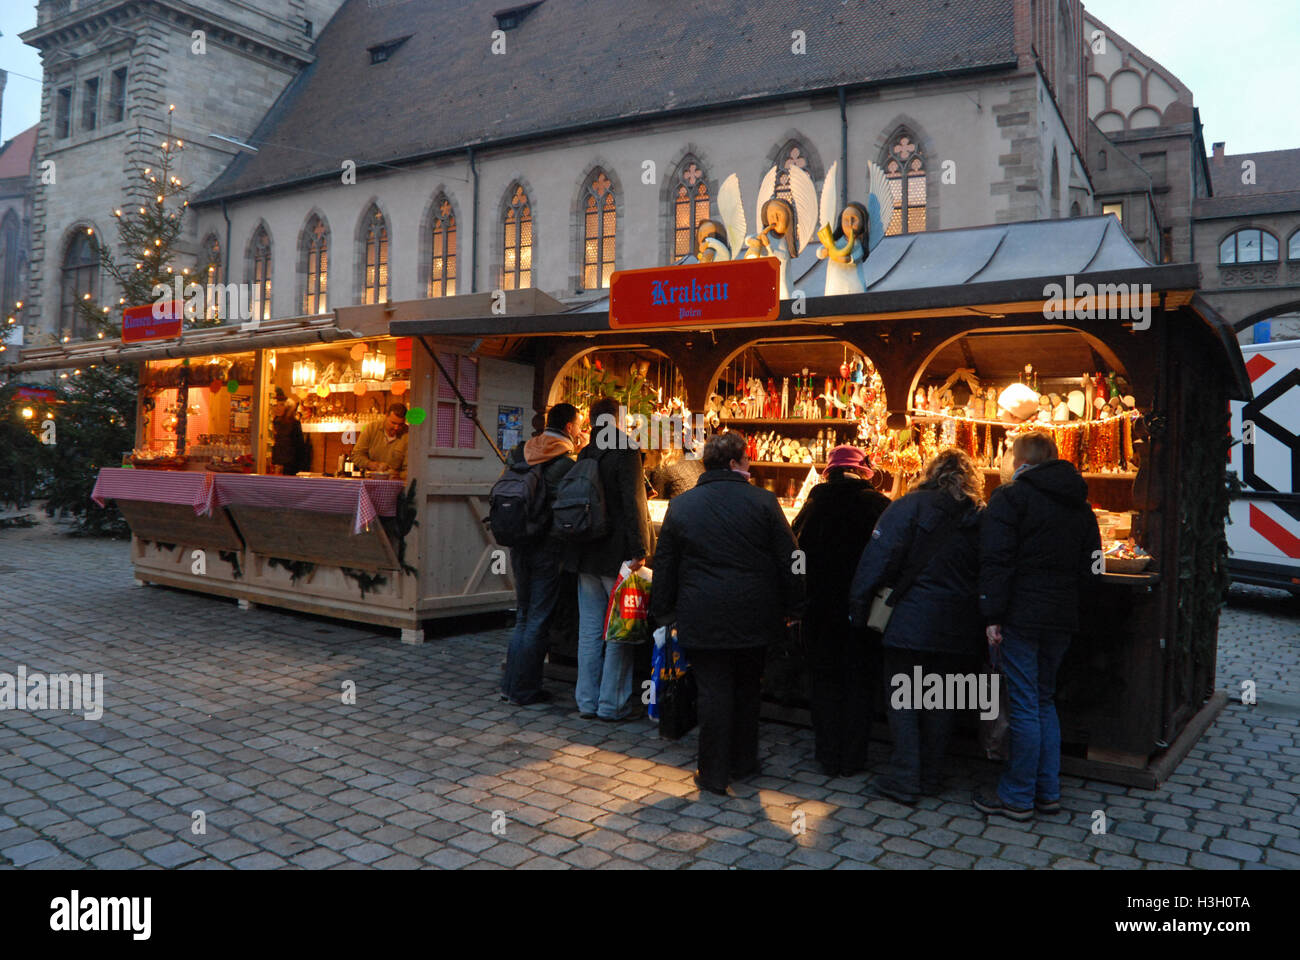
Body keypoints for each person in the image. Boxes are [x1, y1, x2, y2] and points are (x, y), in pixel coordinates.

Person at [650, 431, 805, 796]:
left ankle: (714, 771)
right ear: (737, 463)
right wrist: (795, 605)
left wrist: (663, 612)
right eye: (748, 461)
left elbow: (666, 563)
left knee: (713, 690)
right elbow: (792, 559)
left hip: (701, 612)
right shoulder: (764, 502)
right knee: (748, 687)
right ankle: (743, 761)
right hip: (755, 612)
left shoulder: (683, 505)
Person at [974, 430, 1101, 820]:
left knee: (1025, 704)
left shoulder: (1011, 498)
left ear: (1020, 460)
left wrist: (992, 615)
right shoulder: (1080, 506)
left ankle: (1016, 795)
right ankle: (1048, 791)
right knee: (1043, 701)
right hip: (1060, 617)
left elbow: (996, 559)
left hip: (1021, 616)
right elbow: (1093, 565)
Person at [849, 448, 985, 805]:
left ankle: (905, 776)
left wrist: (859, 606)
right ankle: (932, 776)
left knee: (905, 699)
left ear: (931, 472)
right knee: (943, 699)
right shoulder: (982, 516)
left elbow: (878, 559)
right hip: (959, 625)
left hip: (911, 620)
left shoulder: (908, 506)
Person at [792, 445, 891, 777]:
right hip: (865, 610)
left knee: (824, 681)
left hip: (820, 608)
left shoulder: (813, 505)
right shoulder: (879, 506)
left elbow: (795, 556)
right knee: (860, 682)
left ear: (829, 472)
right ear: (864, 472)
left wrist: (799, 596)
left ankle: (828, 753)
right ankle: (853, 757)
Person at [574, 397, 654, 721]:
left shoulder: (584, 451)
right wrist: (640, 551)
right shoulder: (626, 448)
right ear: (617, 419)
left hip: (586, 551)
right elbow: (634, 502)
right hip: (618, 554)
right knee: (619, 629)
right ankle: (611, 704)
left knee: (590, 630)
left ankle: (586, 701)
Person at [499, 402, 583, 706]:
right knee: (538, 618)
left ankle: (510, 686)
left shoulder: (521, 451)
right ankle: (524, 690)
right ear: (570, 427)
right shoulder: (564, 461)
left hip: (518, 541)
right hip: (547, 546)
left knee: (523, 615)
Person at [353, 402, 409, 478]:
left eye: (400, 424)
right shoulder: (371, 428)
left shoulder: (408, 435)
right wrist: (371, 464)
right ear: (386, 416)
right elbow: (356, 455)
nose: (396, 427)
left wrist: (398, 475)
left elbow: (412, 469)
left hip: (396, 485)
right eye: (393, 423)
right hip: (370, 482)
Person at [270, 394, 308, 476]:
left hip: (290, 466)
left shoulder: (294, 424)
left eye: (282, 405)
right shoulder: (274, 423)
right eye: (275, 405)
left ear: (288, 407)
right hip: (275, 465)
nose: (278, 408)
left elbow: (300, 447)